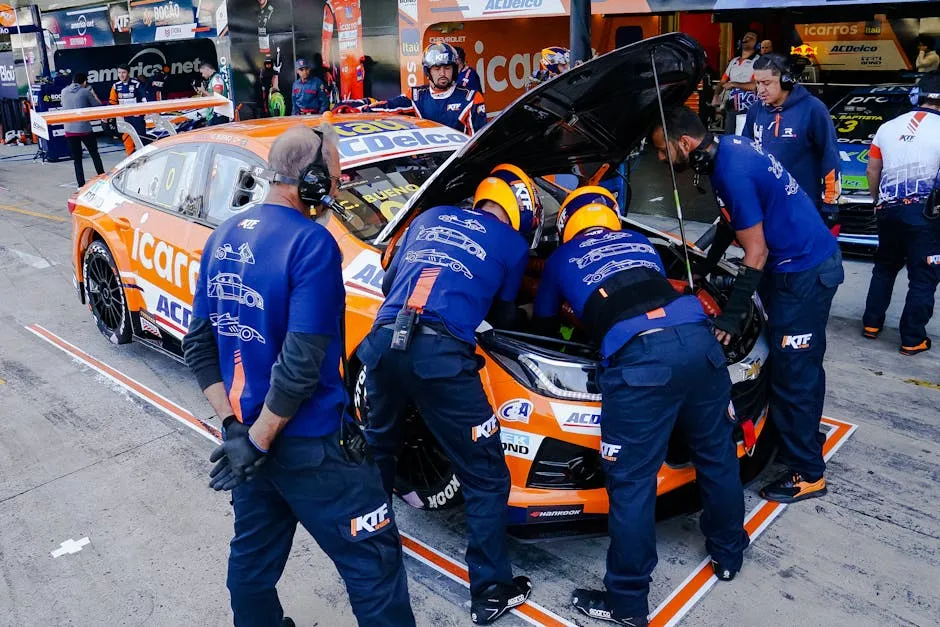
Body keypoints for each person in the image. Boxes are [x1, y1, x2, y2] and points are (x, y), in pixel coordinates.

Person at [182, 125, 416, 627]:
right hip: (310, 446)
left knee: (252, 566)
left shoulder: (221, 235)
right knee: (374, 567)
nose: (337, 186)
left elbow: (198, 343)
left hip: (249, 445)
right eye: (333, 175)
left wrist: (235, 432)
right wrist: (260, 441)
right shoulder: (313, 244)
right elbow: (300, 366)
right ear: (309, 180)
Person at [529, 187, 748, 627]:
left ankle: (627, 602)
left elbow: (542, 326)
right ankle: (729, 553)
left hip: (641, 363)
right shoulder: (641, 242)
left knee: (631, 484)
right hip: (700, 343)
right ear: (611, 216)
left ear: (567, 222)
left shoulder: (561, 258)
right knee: (717, 455)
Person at [355, 164, 542, 624]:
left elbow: (386, 282)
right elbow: (506, 315)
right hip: (440, 358)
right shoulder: (513, 245)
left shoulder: (427, 215)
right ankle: (492, 591)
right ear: (521, 216)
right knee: (485, 475)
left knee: (379, 450)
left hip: (382, 344)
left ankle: (367, 558)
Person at [651, 107, 844, 504]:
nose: (659, 158)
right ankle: (805, 434)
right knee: (801, 366)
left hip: (803, 273)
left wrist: (733, 314)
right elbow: (732, 220)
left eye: (661, 149)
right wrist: (703, 266)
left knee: (794, 374)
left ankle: (808, 472)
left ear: (684, 143)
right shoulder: (731, 148)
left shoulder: (731, 172)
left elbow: (755, 252)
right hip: (801, 266)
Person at [862, 73, 940, 355]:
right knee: (924, 276)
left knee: (884, 266)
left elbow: (872, 169)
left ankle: (871, 324)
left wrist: (877, 201)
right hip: (926, 214)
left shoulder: (888, 126)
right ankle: (912, 339)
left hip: (887, 208)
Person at [744, 53, 841, 231]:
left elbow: (830, 157)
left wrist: (831, 203)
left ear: (786, 80)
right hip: (764, 206)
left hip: (803, 207)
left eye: (766, 83)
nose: (760, 90)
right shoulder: (755, 111)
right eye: (757, 83)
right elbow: (746, 157)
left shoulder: (813, 108)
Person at [336, 43, 486, 136]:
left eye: (447, 68)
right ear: (428, 71)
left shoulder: (471, 98)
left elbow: (478, 141)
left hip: (455, 164)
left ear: (454, 69)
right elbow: (388, 107)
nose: (442, 73)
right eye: (437, 68)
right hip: (426, 163)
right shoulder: (417, 95)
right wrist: (355, 109)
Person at [60, 72, 105, 188]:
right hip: (84, 129)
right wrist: (93, 94)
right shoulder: (85, 91)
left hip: (69, 129)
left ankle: (81, 185)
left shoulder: (64, 91)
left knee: (77, 159)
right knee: (95, 154)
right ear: (84, 82)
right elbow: (97, 106)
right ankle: (102, 177)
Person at [717, 31, 760, 135]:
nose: (748, 39)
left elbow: (754, 85)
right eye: (746, 37)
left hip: (747, 108)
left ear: (757, 45)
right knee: (729, 136)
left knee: (743, 138)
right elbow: (722, 81)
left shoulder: (758, 60)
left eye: (752, 38)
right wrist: (715, 95)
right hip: (731, 107)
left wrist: (734, 84)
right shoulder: (734, 61)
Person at [109, 63, 147, 155]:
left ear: (128, 73)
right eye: (119, 72)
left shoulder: (136, 84)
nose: (121, 75)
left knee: (142, 143)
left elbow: (145, 101)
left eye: (124, 72)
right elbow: (112, 104)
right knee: (128, 145)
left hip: (137, 119)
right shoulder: (115, 86)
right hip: (124, 120)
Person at [195, 61, 231, 126]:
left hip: (218, 115)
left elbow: (217, 96)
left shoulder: (216, 78)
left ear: (207, 69)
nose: (202, 75)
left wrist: (203, 91)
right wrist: (202, 93)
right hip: (213, 115)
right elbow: (209, 97)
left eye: (202, 73)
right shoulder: (212, 79)